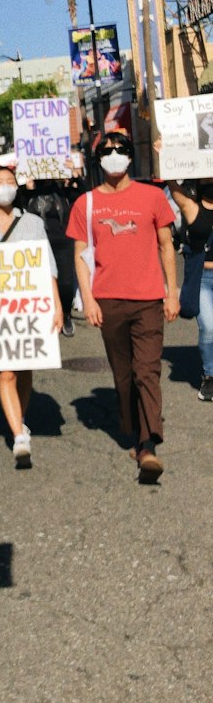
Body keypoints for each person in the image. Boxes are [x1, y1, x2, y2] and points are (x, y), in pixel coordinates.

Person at [67, 132, 178, 482]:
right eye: (107, 151)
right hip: (108, 299)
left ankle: (148, 445)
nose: (114, 156)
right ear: (98, 159)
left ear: (131, 157)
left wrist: (171, 292)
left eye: (120, 151)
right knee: (124, 375)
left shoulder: (152, 196)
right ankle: (133, 430)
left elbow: (165, 245)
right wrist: (87, 297)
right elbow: (80, 253)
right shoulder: (85, 203)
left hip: (148, 299)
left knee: (147, 370)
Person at [0, 165, 62, 468]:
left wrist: (56, 304)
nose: (5, 186)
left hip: (27, 311)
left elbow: (48, 266)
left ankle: (20, 416)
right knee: (5, 373)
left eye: (10, 181)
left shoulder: (31, 223)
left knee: (25, 370)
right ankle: (19, 435)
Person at [162, 174, 213, 400]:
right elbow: (174, 189)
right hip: (203, 279)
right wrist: (167, 158)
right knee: (209, 327)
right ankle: (210, 376)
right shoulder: (192, 207)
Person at [24, 178, 78, 336]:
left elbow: (82, 192)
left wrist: (74, 177)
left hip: (63, 243)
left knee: (66, 284)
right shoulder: (29, 194)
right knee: (40, 284)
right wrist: (25, 185)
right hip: (38, 244)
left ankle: (66, 313)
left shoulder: (64, 192)